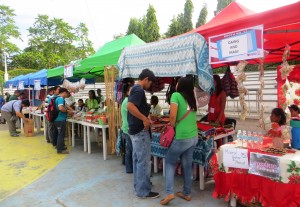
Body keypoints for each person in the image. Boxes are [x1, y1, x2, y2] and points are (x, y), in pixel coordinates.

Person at [160, 77, 198, 205]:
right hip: (193, 137)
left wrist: (171, 125)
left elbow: (172, 116)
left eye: (177, 83)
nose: (175, 84)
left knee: (170, 161)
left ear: (180, 85)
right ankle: (187, 193)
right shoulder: (192, 98)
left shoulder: (175, 95)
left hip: (182, 137)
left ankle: (169, 192)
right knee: (187, 165)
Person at [127, 69, 159, 199]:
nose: (150, 86)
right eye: (150, 83)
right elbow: (130, 106)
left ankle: (140, 186)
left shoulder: (135, 89)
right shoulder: (138, 89)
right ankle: (143, 191)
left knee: (138, 161)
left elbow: (135, 106)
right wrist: (144, 119)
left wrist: (146, 115)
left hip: (135, 131)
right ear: (146, 79)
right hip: (140, 132)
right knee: (144, 162)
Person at [53, 88, 73, 154]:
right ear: (64, 92)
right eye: (66, 93)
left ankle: (61, 146)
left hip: (58, 119)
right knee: (61, 134)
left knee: (60, 134)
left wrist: (70, 110)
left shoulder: (58, 98)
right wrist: (68, 111)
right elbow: (61, 108)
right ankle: (60, 150)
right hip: (60, 119)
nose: (67, 94)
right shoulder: (60, 99)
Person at [121, 79, 134, 173]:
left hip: (126, 128)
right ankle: (130, 168)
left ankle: (129, 168)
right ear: (127, 92)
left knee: (129, 149)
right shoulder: (127, 102)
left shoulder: (126, 101)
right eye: (131, 90)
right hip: (128, 128)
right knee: (131, 150)